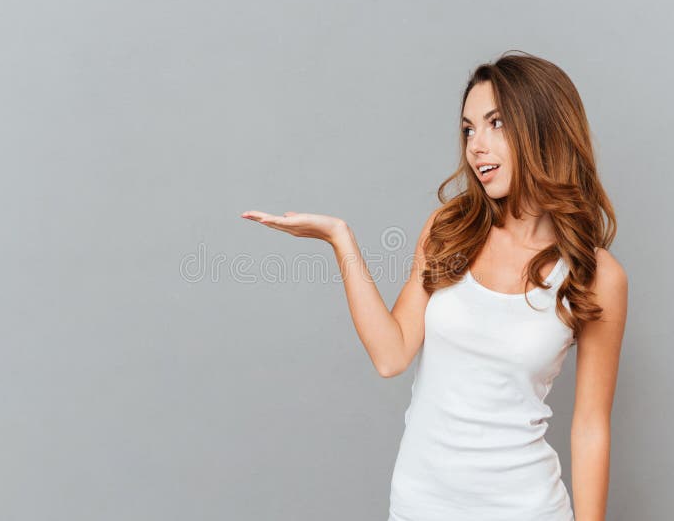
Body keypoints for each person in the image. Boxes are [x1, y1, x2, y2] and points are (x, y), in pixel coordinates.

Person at [240, 51, 628, 521]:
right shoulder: (452, 228)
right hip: (421, 505)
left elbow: (590, 429)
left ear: (543, 129)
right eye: (468, 129)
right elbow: (392, 354)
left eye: (496, 123)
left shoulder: (596, 276)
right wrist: (341, 241)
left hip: (526, 508)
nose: (476, 146)